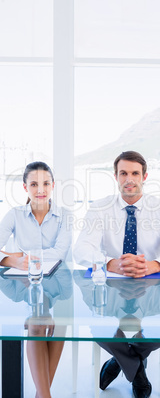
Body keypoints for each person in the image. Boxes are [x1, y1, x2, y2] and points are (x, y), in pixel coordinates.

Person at [74, 150, 160, 398]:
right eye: (123, 173)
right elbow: (81, 249)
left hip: (152, 287)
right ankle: (138, 373)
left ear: (144, 176)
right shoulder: (99, 208)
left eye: (135, 173)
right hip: (110, 287)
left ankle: (119, 361)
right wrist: (108, 263)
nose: (130, 179)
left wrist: (154, 265)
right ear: (115, 176)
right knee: (97, 326)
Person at [0, 161, 72, 398]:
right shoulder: (15, 215)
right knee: (37, 324)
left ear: (53, 185)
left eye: (45, 183)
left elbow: (60, 253)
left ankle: (42, 395)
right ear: (25, 187)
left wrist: (23, 256)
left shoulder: (64, 216)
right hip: (21, 286)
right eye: (34, 184)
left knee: (58, 323)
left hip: (58, 285)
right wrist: (11, 261)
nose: (40, 189)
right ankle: (44, 395)